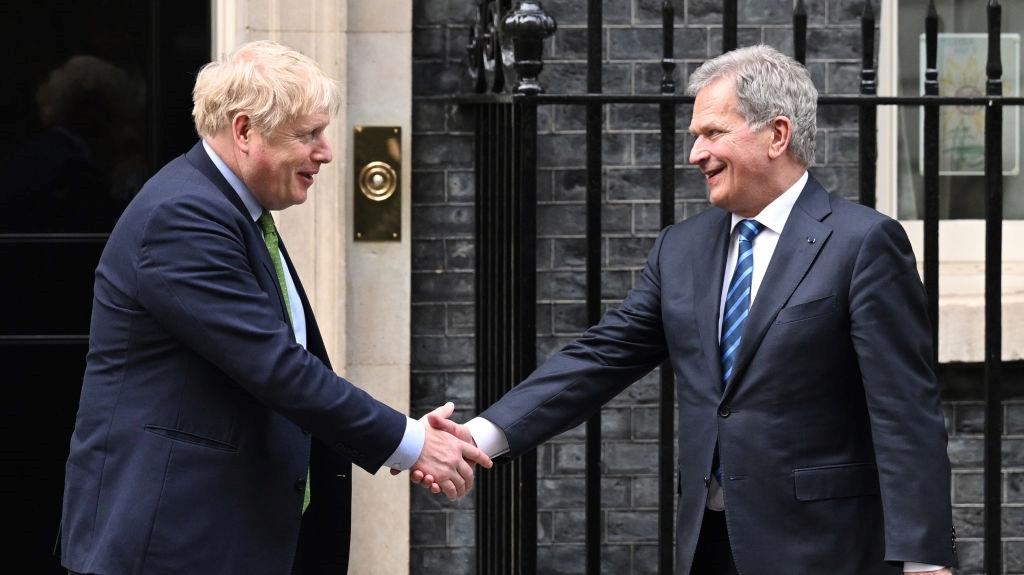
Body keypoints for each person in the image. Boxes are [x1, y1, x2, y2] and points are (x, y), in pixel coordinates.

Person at [420, 45, 956, 574]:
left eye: (713, 133)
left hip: (827, 547)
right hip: (709, 543)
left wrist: (924, 557)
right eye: (695, 136)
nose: (695, 154)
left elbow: (905, 411)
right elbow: (602, 356)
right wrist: (482, 433)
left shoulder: (862, 243)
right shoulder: (682, 248)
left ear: (777, 134)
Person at [59, 40, 490, 575]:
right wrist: (409, 441)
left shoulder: (230, 209)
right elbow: (279, 368)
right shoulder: (184, 217)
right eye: (308, 134)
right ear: (244, 131)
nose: (327, 151)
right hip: (169, 544)